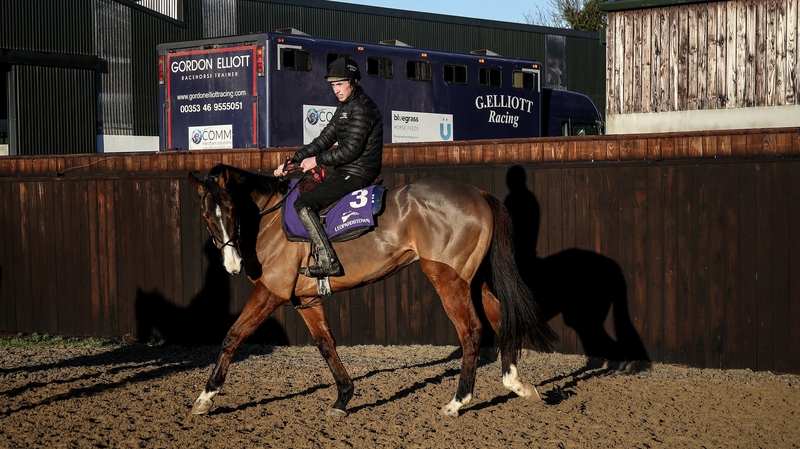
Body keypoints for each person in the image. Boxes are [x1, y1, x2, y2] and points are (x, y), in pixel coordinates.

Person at [274, 56, 383, 278]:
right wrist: (293, 162)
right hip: (347, 170)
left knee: (304, 204)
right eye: (333, 85)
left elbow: (351, 151)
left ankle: (327, 260)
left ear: (353, 82)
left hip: (358, 173)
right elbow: (323, 140)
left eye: (340, 84)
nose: (336, 89)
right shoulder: (345, 107)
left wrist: (318, 160)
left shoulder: (362, 108)